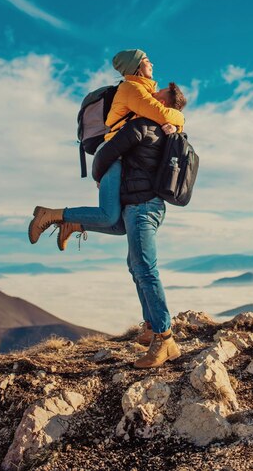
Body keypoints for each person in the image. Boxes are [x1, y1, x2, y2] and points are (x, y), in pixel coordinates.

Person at [28, 49, 184, 248]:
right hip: (113, 152)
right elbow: (162, 113)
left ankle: (75, 224)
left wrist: (174, 125)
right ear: (135, 66)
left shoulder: (143, 92)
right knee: (109, 216)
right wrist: (181, 120)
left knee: (119, 225)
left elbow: (160, 116)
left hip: (120, 154)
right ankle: (51, 215)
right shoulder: (131, 89)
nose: (152, 64)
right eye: (147, 60)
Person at [90, 83, 187, 368]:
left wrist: (99, 175)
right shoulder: (167, 131)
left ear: (165, 106)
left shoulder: (144, 126)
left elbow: (106, 154)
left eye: (158, 98)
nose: (150, 99)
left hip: (142, 207)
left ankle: (164, 339)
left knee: (145, 268)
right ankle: (150, 327)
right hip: (149, 205)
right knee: (137, 266)